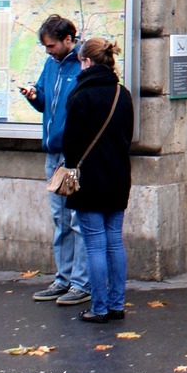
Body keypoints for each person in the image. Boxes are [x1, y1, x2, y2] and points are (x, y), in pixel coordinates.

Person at [60, 36, 135, 324]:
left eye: (80, 61)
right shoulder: (122, 93)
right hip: (118, 175)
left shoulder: (81, 95)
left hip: (89, 179)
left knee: (94, 243)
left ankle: (99, 307)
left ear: (87, 61)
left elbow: (71, 143)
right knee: (114, 240)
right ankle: (116, 304)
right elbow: (127, 136)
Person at [20, 15, 91, 307]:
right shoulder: (51, 65)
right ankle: (63, 279)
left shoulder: (83, 64)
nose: (48, 51)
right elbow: (45, 101)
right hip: (53, 153)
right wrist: (34, 96)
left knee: (77, 219)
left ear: (67, 40)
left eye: (51, 46)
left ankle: (80, 283)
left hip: (72, 154)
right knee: (60, 219)